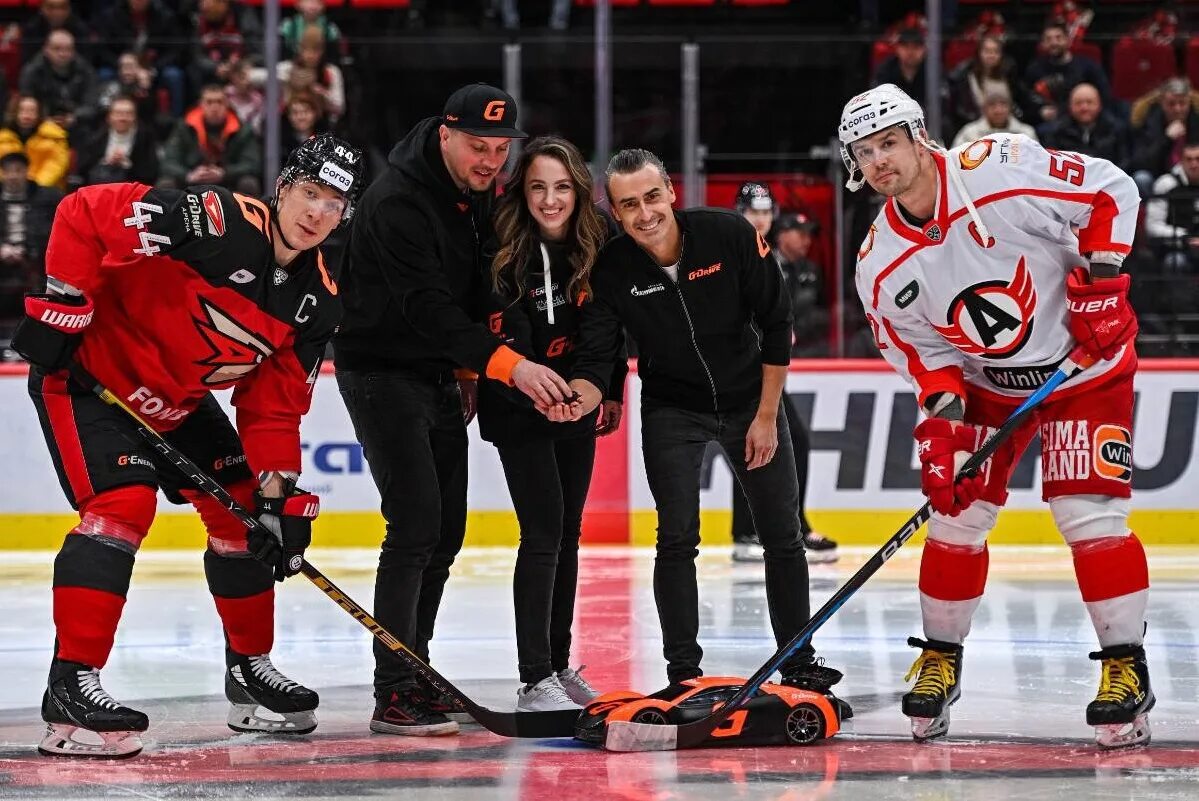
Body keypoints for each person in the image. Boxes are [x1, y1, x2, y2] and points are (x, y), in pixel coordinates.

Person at [11, 133, 365, 758]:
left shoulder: (316, 305)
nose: (317, 213)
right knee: (121, 508)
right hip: (91, 378)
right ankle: (69, 686)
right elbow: (83, 212)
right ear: (284, 188)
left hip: (177, 400)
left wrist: (277, 496)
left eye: (334, 205)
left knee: (243, 511)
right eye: (310, 194)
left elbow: (273, 407)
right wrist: (65, 304)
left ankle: (248, 673)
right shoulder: (215, 221)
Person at [838, 84, 1149, 748]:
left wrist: (1100, 285)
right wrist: (944, 431)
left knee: (1086, 512)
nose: (879, 161)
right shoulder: (877, 264)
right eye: (865, 153)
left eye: (888, 142)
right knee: (957, 511)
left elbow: (1110, 190)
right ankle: (939, 659)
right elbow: (926, 360)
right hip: (986, 384)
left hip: (1081, 367)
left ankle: (1126, 667)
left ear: (919, 136)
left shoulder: (998, 168)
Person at [543, 148, 845, 696]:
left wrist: (767, 415)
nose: (645, 213)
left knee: (783, 538)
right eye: (628, 204)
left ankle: (797, 659)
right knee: (677, 538)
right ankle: (683, 673)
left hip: (751, 399)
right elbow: (597, 357)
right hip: (671, 409)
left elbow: (777, 322)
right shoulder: (612, 269)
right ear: (613, 210)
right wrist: (575, 398)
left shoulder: (727, 235)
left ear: (672, 193)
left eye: (652, 197)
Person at [334, 83, 573, 737]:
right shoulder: (397, 202)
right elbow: (429, 311)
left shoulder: (473, 188)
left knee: (446, 530)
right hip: (380, 369)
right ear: (445, 133)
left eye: (499, 149)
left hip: (436, 370)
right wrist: (509, 365)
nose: (490, 161)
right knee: (414, 525)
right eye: (477, 146)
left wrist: (469, 370)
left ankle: (415, 668)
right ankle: (394, 690)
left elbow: (471, 286)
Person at [482, 136, 625, 712]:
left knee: (568, 532)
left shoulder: (600, 240)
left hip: (577, 403)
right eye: (538, 186)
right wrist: (537, 392)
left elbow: (608, 324)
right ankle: (533, 676)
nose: (549, 199)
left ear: (580, 191)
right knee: (541, 532)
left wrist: (603, 389)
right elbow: (503, 328)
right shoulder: (503, 244)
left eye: (561, 187)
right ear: (523, 190)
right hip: (519, 406)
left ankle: (560, 665)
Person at [730, 181, 837, 564]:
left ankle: (755, 529)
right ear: (739, 213)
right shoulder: (733, 252)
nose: (759, 218)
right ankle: (773, 528)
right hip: (740, 367)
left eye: (765, 212)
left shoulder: (770, 258)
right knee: (779, 442)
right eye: (752, 211)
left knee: (759, 444)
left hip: (762, 367)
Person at [0, 95, 70, 191]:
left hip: (44, 190)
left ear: (39, 114)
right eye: (22, 110)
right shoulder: (2, 139)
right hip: (7, 189)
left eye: (32, 111)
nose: (27, 115)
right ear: (14, 112)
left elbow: (55, 166)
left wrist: (35, 187)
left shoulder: (55, 137)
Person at [950, 87, 1038, 149]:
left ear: (1010, 108)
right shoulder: (969, 133)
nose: (998, 110)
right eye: (992, 105)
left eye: (1003, 104)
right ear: (984, 109)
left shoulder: (1026, 133)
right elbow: (954, 161)